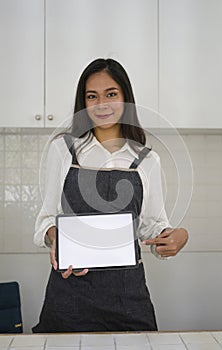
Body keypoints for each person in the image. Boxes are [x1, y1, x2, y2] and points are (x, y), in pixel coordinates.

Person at [32, 58, 188, 333]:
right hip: (69, 296)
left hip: (128, 299)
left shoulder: (147, 159)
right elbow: (45, 220)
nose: (101, 104)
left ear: (126, 98)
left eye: (111, 94)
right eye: (92, 96)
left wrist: (176, 236)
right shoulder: (64, 149)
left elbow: (152, 228)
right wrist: (55, 237)